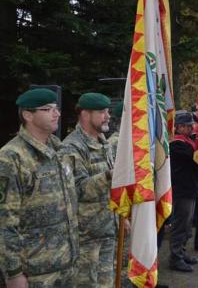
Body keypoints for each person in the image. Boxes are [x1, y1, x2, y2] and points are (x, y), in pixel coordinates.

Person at [0, 88, 79, 288]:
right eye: (48, 109)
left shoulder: (59, 150)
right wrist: (13, 274)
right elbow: (0, 222)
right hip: (36, 274)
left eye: (57, 108)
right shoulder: (10, 159)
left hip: (68, 266)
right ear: (28, 115)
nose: (57, 114)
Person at [61, 92, 116, 288]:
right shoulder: (72, 147)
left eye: (107, 111)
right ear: (85, 114)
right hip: (86, 237)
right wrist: (110, 175)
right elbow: (76, 190)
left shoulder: (102, 141)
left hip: (107, 229)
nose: (107, 116)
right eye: (102, 111)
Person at [169, 111, 198, 272]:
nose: (191, 129)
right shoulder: (176, 144)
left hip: (190, 189)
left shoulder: (188, 141)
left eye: (192, 126)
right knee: (180, 225)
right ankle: (175, 257)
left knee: (188, 226)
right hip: (182, 191)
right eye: (188, 126)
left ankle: (182, 252)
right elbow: (195, 157)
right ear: (179, 127)